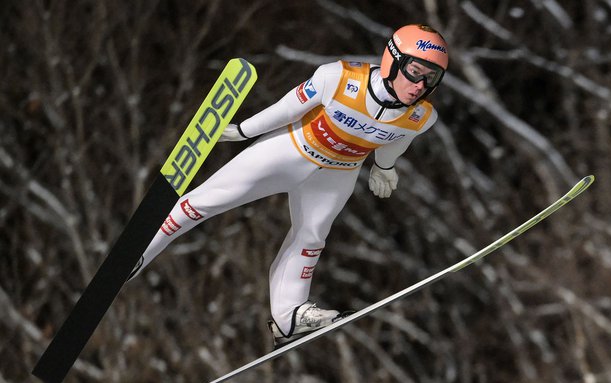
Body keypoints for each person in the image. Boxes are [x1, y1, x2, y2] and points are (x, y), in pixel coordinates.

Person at [130, 24, 449, 347]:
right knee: (207, 201)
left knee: (311, 238)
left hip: (338, 174)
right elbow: (288, 108)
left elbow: (397, 140)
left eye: (431, 78)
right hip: (291, 151)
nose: (420, 85)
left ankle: (289, 315)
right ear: (392, 61)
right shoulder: (339, 77)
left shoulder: (421, 117)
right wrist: (244, 130)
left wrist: (385, 167)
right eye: (415, 71)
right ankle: (138, 251)